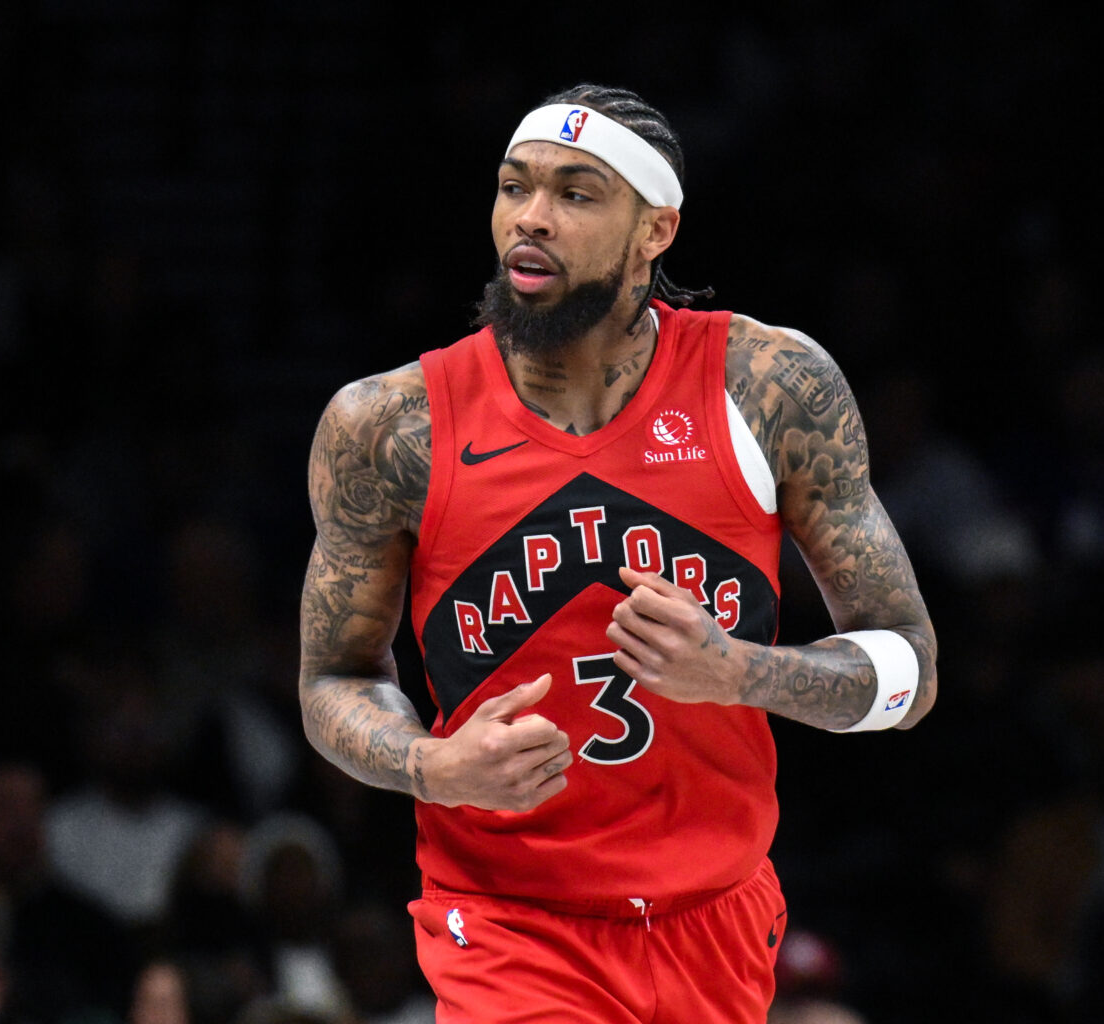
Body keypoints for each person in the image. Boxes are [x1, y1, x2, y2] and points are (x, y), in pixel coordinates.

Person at [297, 83, 938, 1023]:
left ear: (656, 231)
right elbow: (330, 684)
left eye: (576, 193)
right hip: (510, 921)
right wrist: (433, 766)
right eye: (515, 187)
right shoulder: (391, 425)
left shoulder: (769, 385)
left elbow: (909, 673)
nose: (531, 218)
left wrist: (739, 672)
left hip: (717, 916)